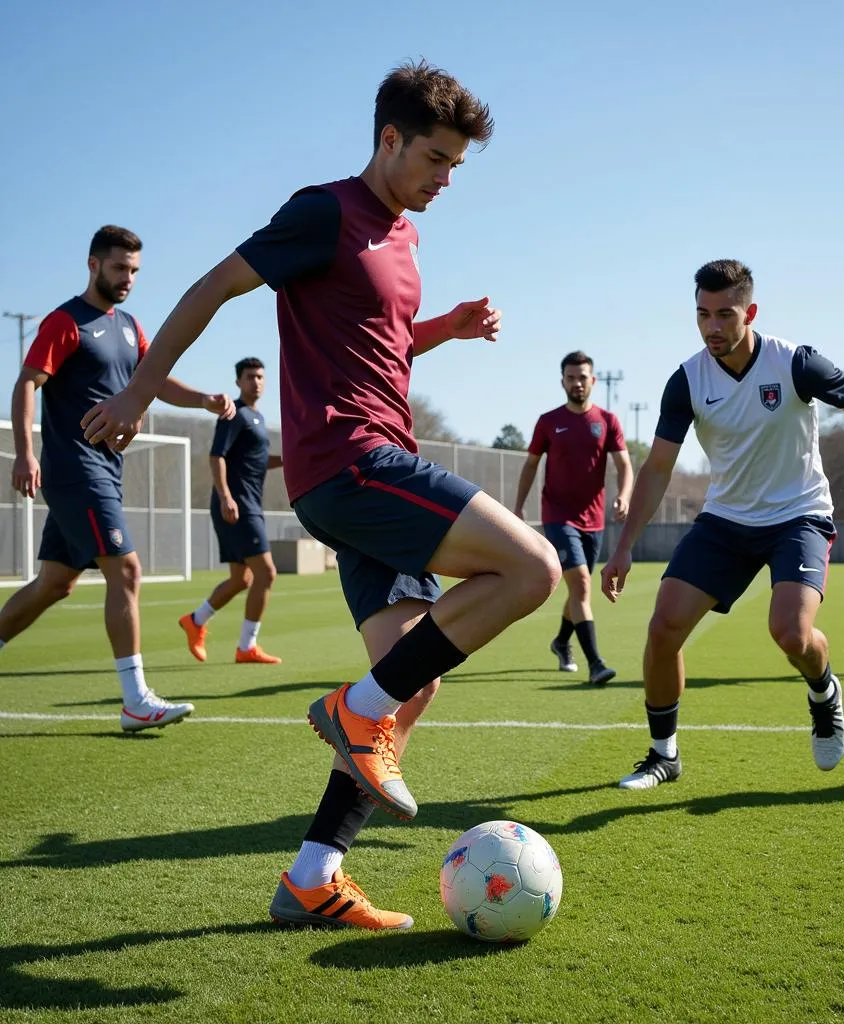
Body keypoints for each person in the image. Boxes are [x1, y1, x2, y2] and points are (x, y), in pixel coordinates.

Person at [80, 62, 561, 931]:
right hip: (350, 464)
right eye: (436, 160)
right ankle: (353, 711)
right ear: (389, 139)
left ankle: (313, 875)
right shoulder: (322, 211)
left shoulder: (404, 238)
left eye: (456, 165)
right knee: (532, 570)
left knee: (413, 682)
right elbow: (208, 290)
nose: (446, 180)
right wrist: (141, 391)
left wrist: (442, 330)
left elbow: (378, 345)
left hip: (379, 455)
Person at [600, 259, 844, 789]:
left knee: (791, 634)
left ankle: (824, 691)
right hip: (726, 519)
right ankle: (664, 756)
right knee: (663, 629)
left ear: (749, 312)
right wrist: (624, 546)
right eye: (702, 315)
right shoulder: (686, 381)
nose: (713, 327)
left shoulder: (795, 363)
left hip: (800, 515)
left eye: (725, 314)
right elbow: (658, 467)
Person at [1, 225, 235, 732]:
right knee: (126, 570)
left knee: (54, 584)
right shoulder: (66, 322)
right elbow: (26, 383)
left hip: (106, 470)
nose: (127, 278)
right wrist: (24, 453)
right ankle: (135, 701)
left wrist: (203, 400)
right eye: (118, 268)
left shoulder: (130, 325)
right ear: (93, 265)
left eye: (134, 270)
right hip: (74, 469)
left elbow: (152, 377)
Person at [514, 350, 633, 685]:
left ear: (592, 381)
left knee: (578, 592)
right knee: (581, 584)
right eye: (571, 377)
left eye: (583, 377)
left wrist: (624, 495)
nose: (577, 383)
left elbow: (625, 466)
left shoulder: (607, 421)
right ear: (562, 381)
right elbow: (530, 465)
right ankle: (596, 664)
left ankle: (562, 641)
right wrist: (518, 507)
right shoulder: (548, 421)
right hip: (558, 516)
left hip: (594, 521)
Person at [179, 357, 284, 665]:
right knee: (267, 573)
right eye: (250, 377)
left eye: (261, 377)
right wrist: (226, 496)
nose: (257, 382)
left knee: (242, 579)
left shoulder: (258, 417)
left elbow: (258, 460)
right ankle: (246, 646)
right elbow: (217, 457)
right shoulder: (232, 413)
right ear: (238, 382)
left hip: (251, 503)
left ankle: (195, 621)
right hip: (236, 504)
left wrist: (291, 457)